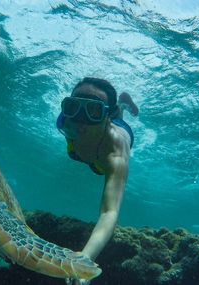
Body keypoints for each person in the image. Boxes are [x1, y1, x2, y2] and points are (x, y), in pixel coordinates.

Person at [56, 77, 139, 285]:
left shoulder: (116, 154)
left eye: (92, 111)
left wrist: (85, 258)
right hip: (92, 147)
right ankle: (113, 105)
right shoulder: (65, 121)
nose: (80, 121)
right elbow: (79, 117)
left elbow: (109, 212)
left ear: (105, 116)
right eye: (73, 107)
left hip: (115, 133)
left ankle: (120, 105)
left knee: (98, 167)